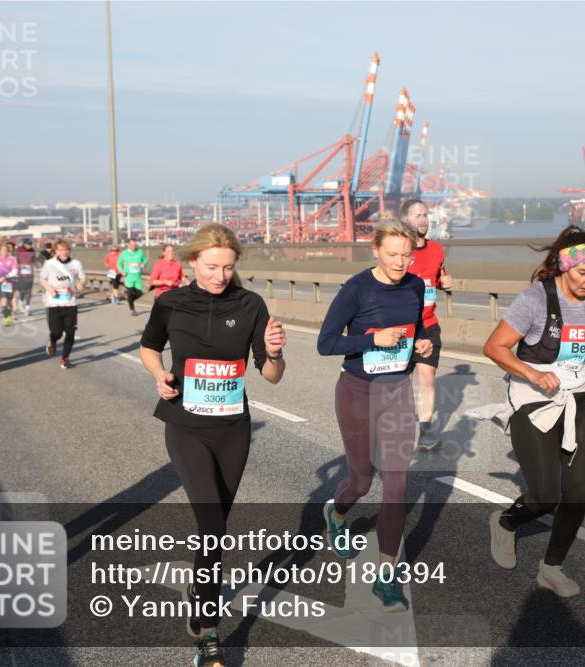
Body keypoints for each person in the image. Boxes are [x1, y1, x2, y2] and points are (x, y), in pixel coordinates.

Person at [139, 224, 285, 667]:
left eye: (227, 267)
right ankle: (208, 631)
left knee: (216, 524)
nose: (220, 276)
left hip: (232, 429)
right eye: (211, 267)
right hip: (185, 426)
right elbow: (149, 347)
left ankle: (199, 587)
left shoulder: (250, 304)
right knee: (210, 524)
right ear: (191, 263)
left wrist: (275, 353)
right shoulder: (171, 302)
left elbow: (272, 376)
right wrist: (159, 375)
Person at [482, 225, 585, 598]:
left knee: (577, 493)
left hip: (580, 399)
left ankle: (552, 568)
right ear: (563, 266)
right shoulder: (535, 300)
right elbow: (495, 347)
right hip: (534, 401)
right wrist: (532, 372)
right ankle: (506, 521)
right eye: (582, 272)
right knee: (545, 496)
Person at [317, 218, 433, 612]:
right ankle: (337, 513)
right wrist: (372, 340)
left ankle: (386, 577)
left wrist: (423, 345)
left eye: (407, 254)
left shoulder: (416, 286)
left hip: (397, 390)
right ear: (375, 251)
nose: (401, 262)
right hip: (357, 392)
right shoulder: (356, 289)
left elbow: (422, 329)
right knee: (362, 481)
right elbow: (326, 342)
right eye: (393, 254)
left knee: (397, 486)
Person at [401, 198, 453, 451]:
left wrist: (445, 283)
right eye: (417, 215)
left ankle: (426, 433)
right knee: (400, 382)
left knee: (427, 378)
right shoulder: (400, 251)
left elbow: (438, 277)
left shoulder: (437, 250)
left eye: (425, 214)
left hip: (429, 325)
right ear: (406, 220)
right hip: (401, 328)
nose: (423, 219)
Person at [40, 239, 86, 369]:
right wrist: (49, 289)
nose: (64, 252)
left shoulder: (76, 264)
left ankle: (65, 358)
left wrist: (81, 284)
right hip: (53, 303)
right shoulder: (49, 264)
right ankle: (52, 341)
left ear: (69, 250)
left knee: (70, 331)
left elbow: (83, 278)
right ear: (56, 251)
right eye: (61, 250)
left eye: (66, 249)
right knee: (57, 332)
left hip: (70, 302)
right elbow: (42, 279)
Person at [118, 238, 147, 315]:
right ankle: (132, 310)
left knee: (139, 294)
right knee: (130, 293)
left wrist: (143, 264)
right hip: (129, 277)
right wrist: (122, 271)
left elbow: (145, 260)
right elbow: (118, 263)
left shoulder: (140, 252)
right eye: (131, 245)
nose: (133, 246)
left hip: (138, 277)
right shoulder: (124, 253)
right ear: (128, 245)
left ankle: (128, 299)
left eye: (135, 244)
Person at [14, 240, 37, 318]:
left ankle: (27, 308)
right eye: (28, 244)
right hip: (21, 275)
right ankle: (21, 301)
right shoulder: (19, 250)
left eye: (30, 244)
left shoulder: (32, 251)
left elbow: (34, 260)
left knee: (29, 292)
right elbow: (16, 262)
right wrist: (18, 269)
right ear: (24, 244)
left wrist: (35, 265)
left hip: (30, 274)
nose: (29, 246)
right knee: (23, 291)